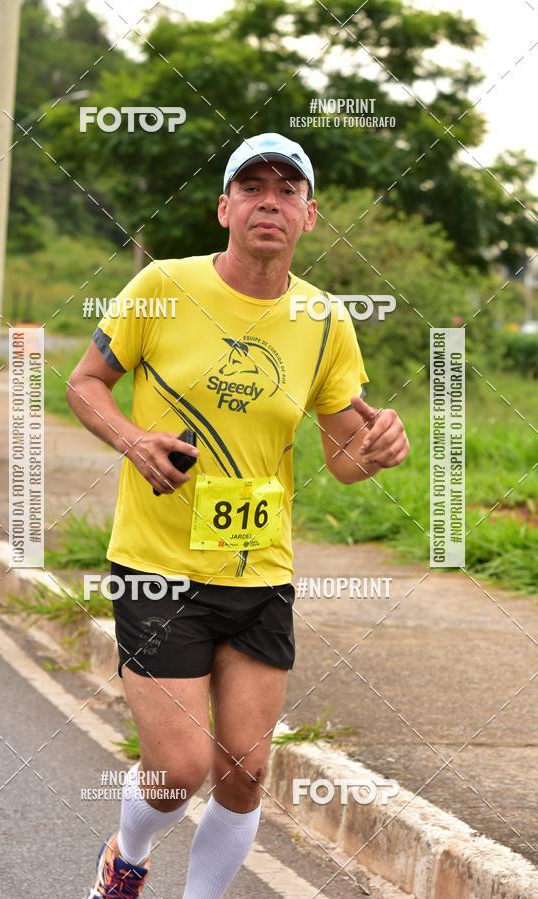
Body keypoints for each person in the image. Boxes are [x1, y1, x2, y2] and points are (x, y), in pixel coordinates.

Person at [67, 133, 410, 898]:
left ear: (309, 215)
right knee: (180, 767)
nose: (269, 200)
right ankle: (126, 854)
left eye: (287, 189)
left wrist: (382, 447)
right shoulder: (163, 285)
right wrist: (130, 437)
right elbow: (85, 383)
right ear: (225, 207)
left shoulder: (324, 320)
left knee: (246, 769)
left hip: (260, 568)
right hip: (159, 565)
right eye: (251, 186)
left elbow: (346, 457)